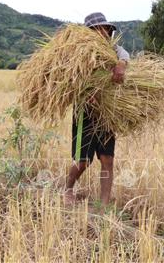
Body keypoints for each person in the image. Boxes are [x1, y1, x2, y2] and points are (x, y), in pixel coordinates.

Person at [64, 12, 130, 207]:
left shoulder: (114, 50)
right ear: (89, 33)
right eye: (99, 29)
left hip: (107, 111)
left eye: (106, 29)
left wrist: (121, 64)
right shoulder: (79, 53)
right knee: (82, 161)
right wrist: (87, 93)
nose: (104, 33)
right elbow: (72, 80)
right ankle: (68, 189)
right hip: (85, 112)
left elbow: (125, 56)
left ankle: (103, 204)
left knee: (107, 159)